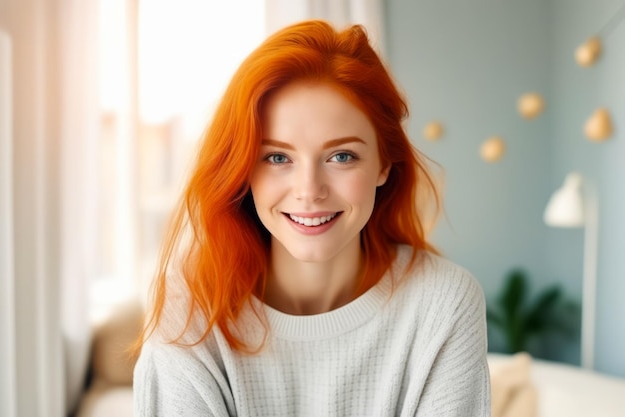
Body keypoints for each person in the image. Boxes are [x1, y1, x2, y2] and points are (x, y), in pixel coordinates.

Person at [133, 19, 490, 416]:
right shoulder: (192, 306)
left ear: (384, 164)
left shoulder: (443, 301)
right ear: (244, 169)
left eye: (341, 156)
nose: (309, 190)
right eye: (277, 157)